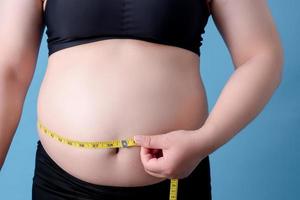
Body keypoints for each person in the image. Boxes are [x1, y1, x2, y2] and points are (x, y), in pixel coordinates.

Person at [0, 0, 283, 199]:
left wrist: (204, 141)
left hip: (174, 180)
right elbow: (8, 73)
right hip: (62, 185)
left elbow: (261, 56)